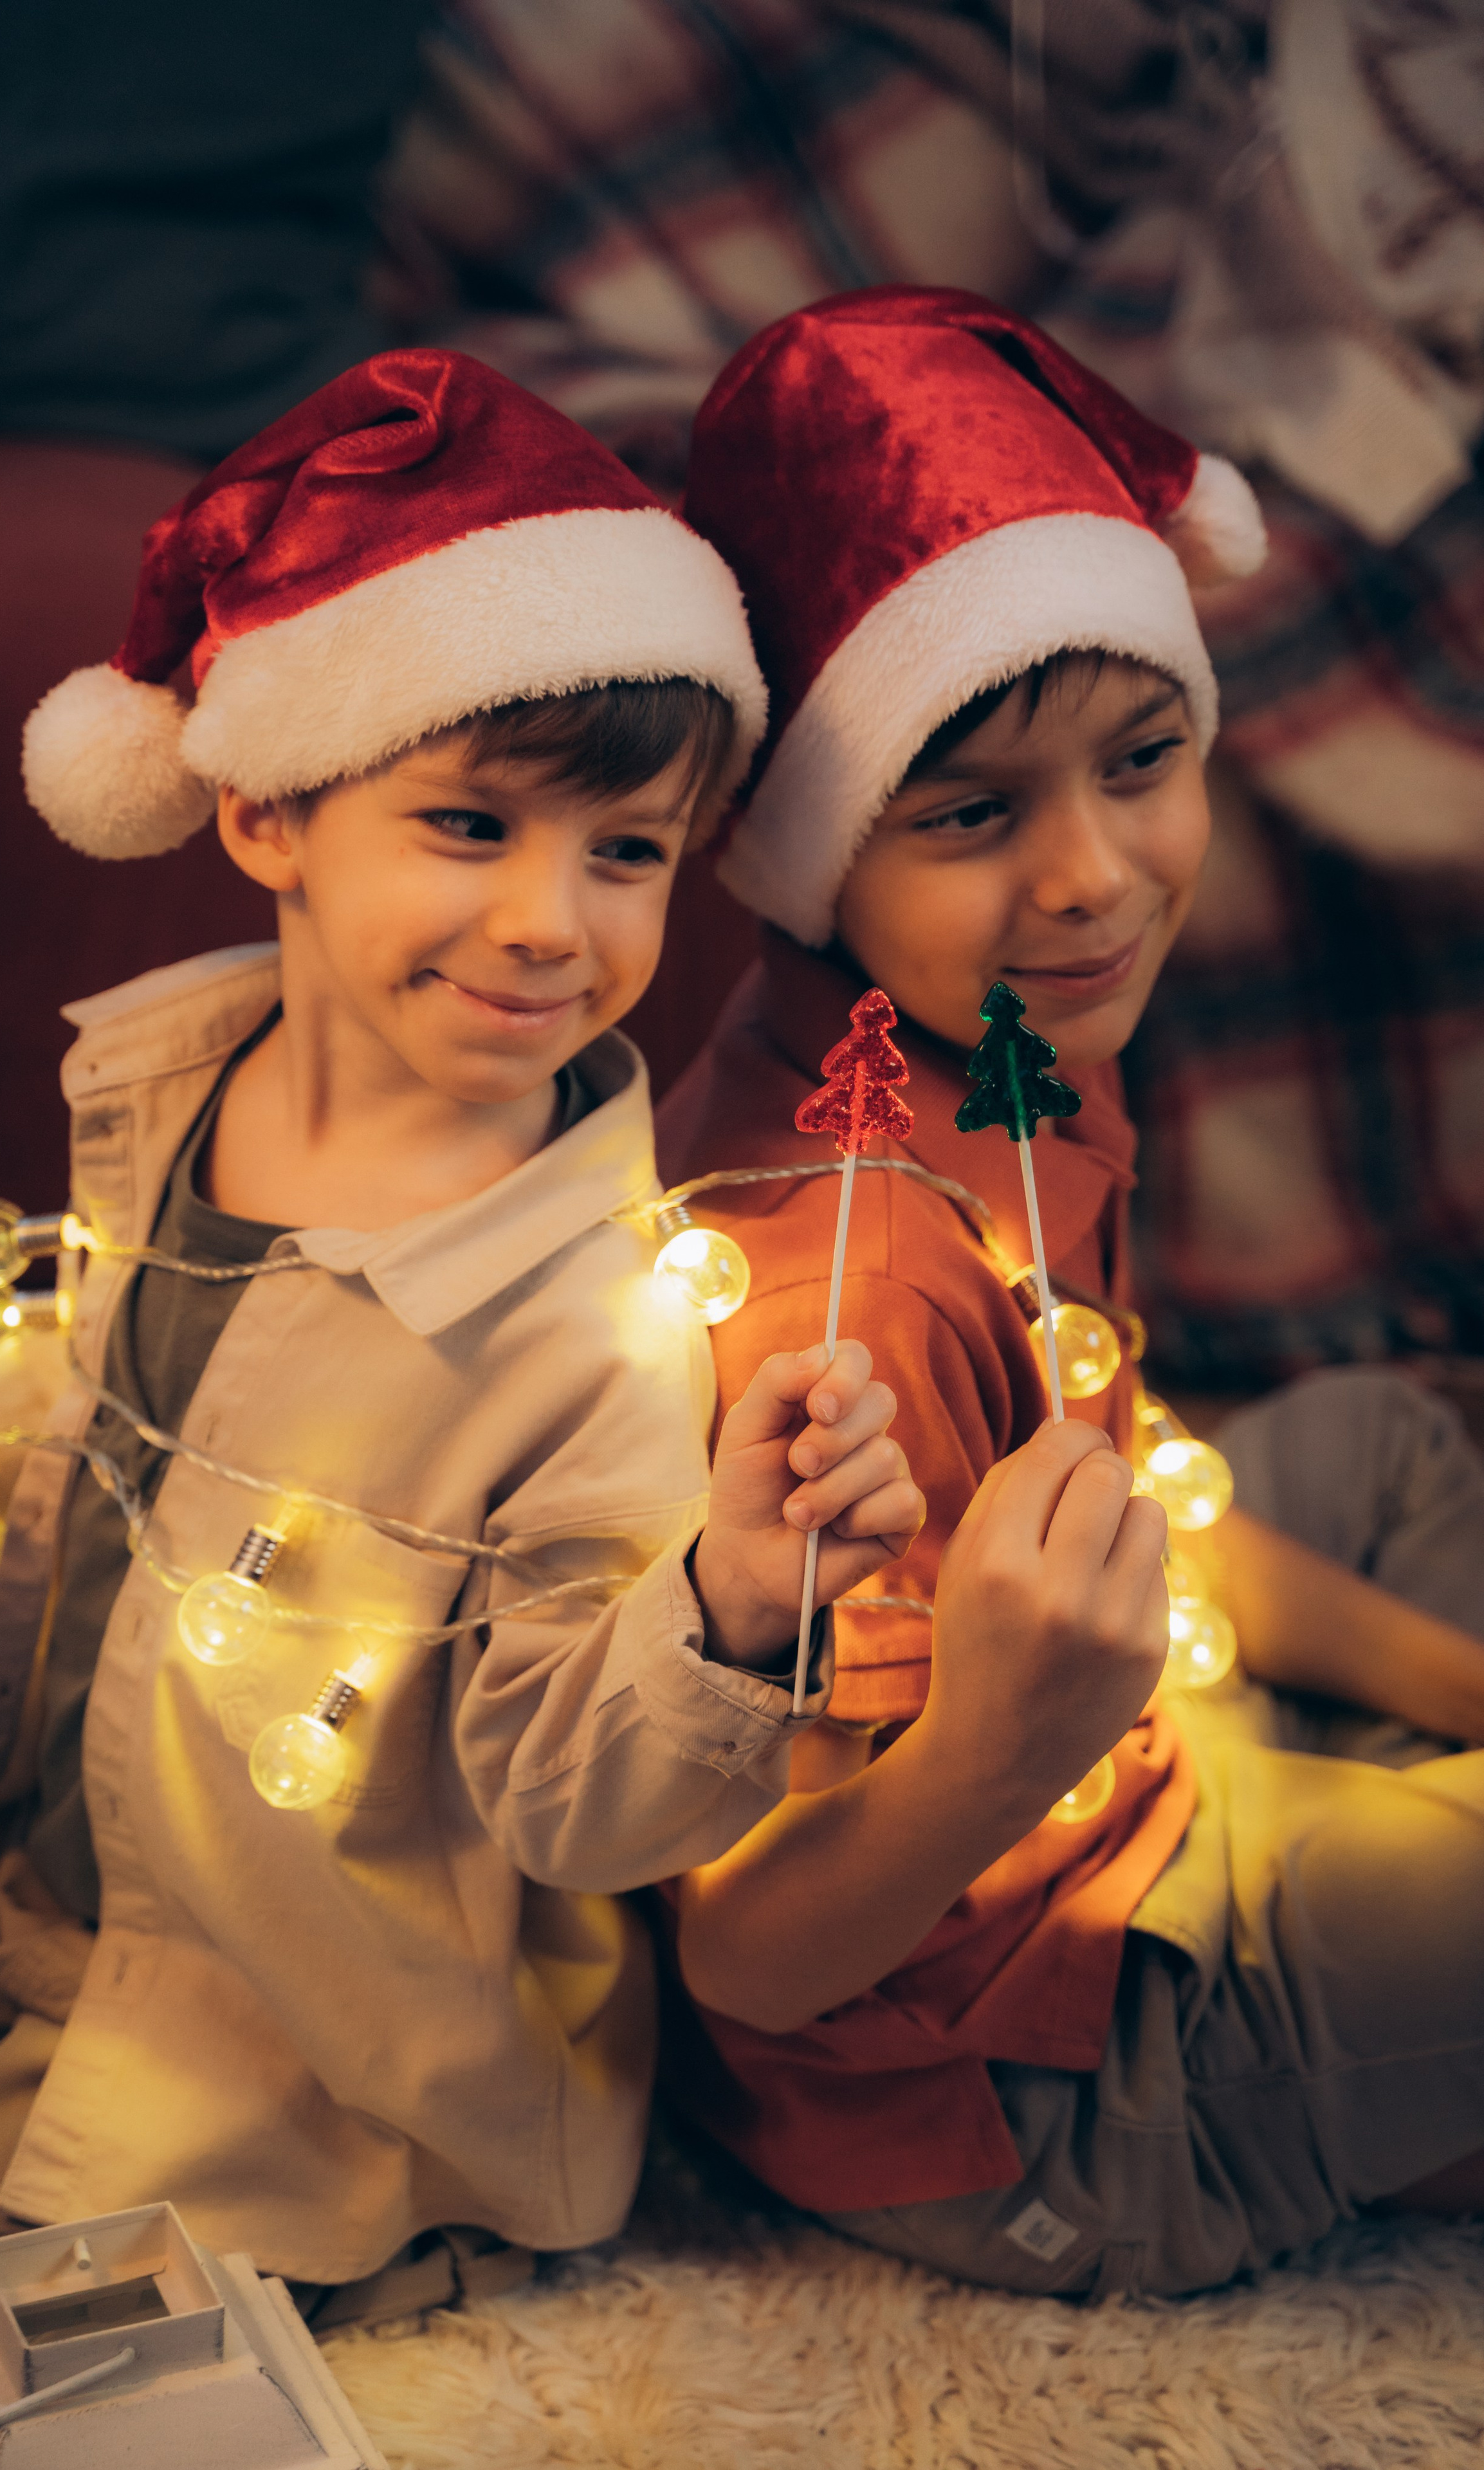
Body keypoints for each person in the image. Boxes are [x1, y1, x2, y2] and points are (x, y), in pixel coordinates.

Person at [0, 349, 930, 2319]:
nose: (552, 921)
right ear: (268, 812)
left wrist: (734, 1604)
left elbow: (581, 1805)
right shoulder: (186, 1082)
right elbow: (115, 1366)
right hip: (37, 1881)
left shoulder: (587, 1325)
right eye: (472, 827)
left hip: (305, 2036)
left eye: (624, 853)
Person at [655, 288, 1484, 2299]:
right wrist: (1003, 1741)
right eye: (972, 811)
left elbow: (1122, 1459)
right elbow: (745, 1955)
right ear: (816, 842)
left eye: (1143, 760)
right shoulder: (844, 1298)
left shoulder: (995, 1035)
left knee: (1381, 1440)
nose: (1096, 874)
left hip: (1133, 1747)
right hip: (1029, 2084)